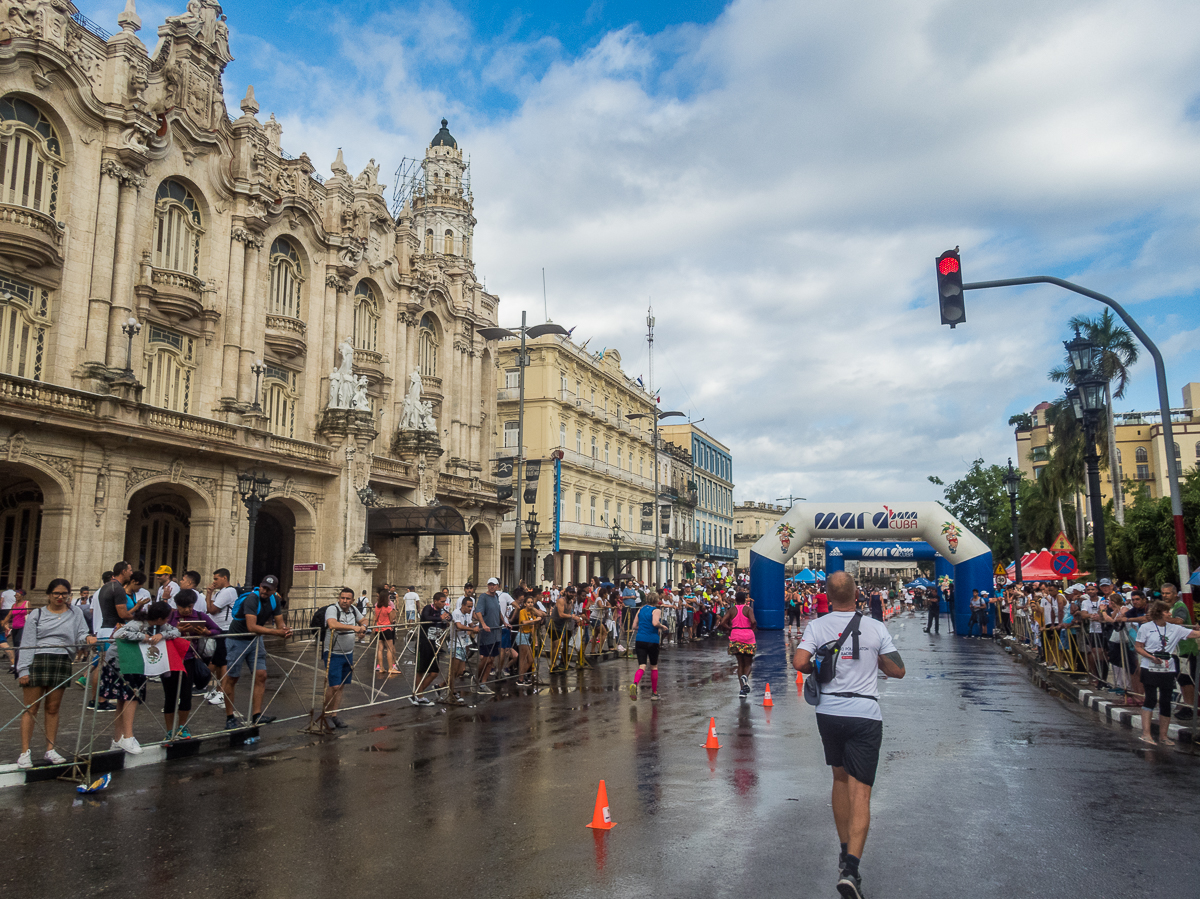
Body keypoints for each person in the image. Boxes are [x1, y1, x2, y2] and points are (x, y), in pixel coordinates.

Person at [793, 571, 905, 899]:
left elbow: (799, 661)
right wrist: (875, 661)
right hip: (864, 713)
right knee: (861, 794)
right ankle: (852, 870)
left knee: (839, 780)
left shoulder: (817, 626)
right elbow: (898, 670)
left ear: (827, 596)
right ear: (857, 594)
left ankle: (844, 852)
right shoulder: (875, 627)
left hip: (829, 712)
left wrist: (820, 665)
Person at [16, 579, 95, 767]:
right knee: (31, 708)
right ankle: (24, 752)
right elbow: (27, 642)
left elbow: (81, 634)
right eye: (56, 594)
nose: (60, 597)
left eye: (64, 594)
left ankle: (50, 750)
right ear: (49, 595)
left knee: (53, 708)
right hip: (38, 659)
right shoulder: (37, 613)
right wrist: (23, 669)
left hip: (61, 660)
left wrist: (88, 638)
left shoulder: (75, 613)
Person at [221, 575, 291, 729]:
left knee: (261, 675)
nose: (265, 591)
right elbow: (251, 626)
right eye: (263, 587)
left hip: (255, 640)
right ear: (260, 585)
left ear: (275, 590)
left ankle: (257, 715)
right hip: (238, 639)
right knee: (232, 678)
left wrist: (285, 631)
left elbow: (280, 624)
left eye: (269, 589)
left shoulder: (275, 600)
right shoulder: (252, 599)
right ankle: (230, 717)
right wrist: (276, 633)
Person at [1134, 600, 1200, 746]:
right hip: (1150, 667)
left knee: (1165, 701)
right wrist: (1151, 657)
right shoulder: (1146, 627)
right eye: (1166, 612)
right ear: (1158, 613)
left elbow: (1195, 634)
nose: (1170, 614)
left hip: (1168, 668)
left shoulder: (1175, 628)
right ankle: (1146, 734)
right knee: (1150, 699)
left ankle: (1163, 736)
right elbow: (1138, 646)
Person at [166, 589, 221, 739]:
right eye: (184, 607)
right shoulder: (170, 616)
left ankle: (182, 727)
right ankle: (169, 730)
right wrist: (175, 630)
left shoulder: (199, 616)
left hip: (189, 659)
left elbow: (217, 629)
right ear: (177, 605)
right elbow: (158, 631)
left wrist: (207, 632)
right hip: (170, 661)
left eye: (190, 606)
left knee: (186, 694)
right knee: (170, 696)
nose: (187, 610)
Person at [324, 587, 365, 728]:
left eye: (348, 599)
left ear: (352, 600)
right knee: (334, 685)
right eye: (342, 598)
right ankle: (326, 713)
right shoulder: (332, 609)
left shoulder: (353, 609)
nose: (344, 601)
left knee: (341, 686)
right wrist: (354, 628)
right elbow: (332, 624)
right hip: (333, 652)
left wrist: (363, 627)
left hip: (348, 653)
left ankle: (334, 715)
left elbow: (364, 620)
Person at [204, 568, 238, 704]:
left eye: (216, 579)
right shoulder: (221, 593)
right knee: (218, 662)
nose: (214, 581)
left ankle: (223, 692)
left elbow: (211, 609)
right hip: (220, 630)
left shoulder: (228, 591)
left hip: (226, 630)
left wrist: (209, 593)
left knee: (223, 662)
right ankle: (219, 689)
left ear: (225, 578)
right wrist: (211, 595)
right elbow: (211, 607)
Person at [1163, 582, 1197, 718]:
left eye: (1168, 593)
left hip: (1186, 649)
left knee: (1186, 679)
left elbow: (1179, 621)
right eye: (1163, 593)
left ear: (1175, 594)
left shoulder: (1179, 606)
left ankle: (1190, 707)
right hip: (1176, 649)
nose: (1165, 596)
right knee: (1181, 679)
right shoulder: (1169, 607)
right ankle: (1186, 704)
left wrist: (1164, 620)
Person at [629, 592, 667, 702]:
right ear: (656, 601)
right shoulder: (656, 610)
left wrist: (642, 628)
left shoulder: (641, 609)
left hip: (640, 639)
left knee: (642, 666)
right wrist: (662, 626)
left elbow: (634, 626)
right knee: (654, 667)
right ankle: (654, 693)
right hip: (652, 640)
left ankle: (635, 683)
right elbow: (655, 623)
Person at [720, 590, 757, 696]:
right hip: (748, 636)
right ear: (745, 599)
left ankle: (742, 689)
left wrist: (730, 628)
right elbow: (753, 621)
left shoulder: (732, 610)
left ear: (735, 599)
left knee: (740, 663)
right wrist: (752, 628)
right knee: (748, 663)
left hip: (735, 636)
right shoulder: (748, 609)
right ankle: (746, 676)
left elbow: (722, 622)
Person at [414, 591, 448, 705]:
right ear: (435, 601)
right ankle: (419, 695)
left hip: (435, 643)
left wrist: (446, 620)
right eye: (442, 602)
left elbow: (443, 623)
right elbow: (425, 617)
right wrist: (440, 617)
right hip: (424, 642)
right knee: (421, 670)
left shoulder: (441, 611)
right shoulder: (428, 608)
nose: (444, 604)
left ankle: (418, 693)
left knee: (434, 672)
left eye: (445, 602)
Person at [474, 578, 506, 691]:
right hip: (487, 632)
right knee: (486, 659)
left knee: (492, 660)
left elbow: (498, 611)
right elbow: (478, 611)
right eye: (490, 585)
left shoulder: (496, 597)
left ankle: (483, 682)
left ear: (498, 586)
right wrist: (483, 624)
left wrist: (505, 622)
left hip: (495, 631)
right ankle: (477, 677)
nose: (492, 587)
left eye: (494, 585)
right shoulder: (483, 597)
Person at [448, 595, 478, 701]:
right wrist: (472, 629)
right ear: (463, 605)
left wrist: (475, 627)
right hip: (456, 644)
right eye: (469, 607)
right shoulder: (457, 613)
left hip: (463, 643)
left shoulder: (467, 615)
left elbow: (470, 625)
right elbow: (459, 626)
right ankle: (452, 691)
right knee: (454, 670)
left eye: (471, 607)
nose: (470, 609)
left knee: (460, 671)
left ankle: (442, 686)